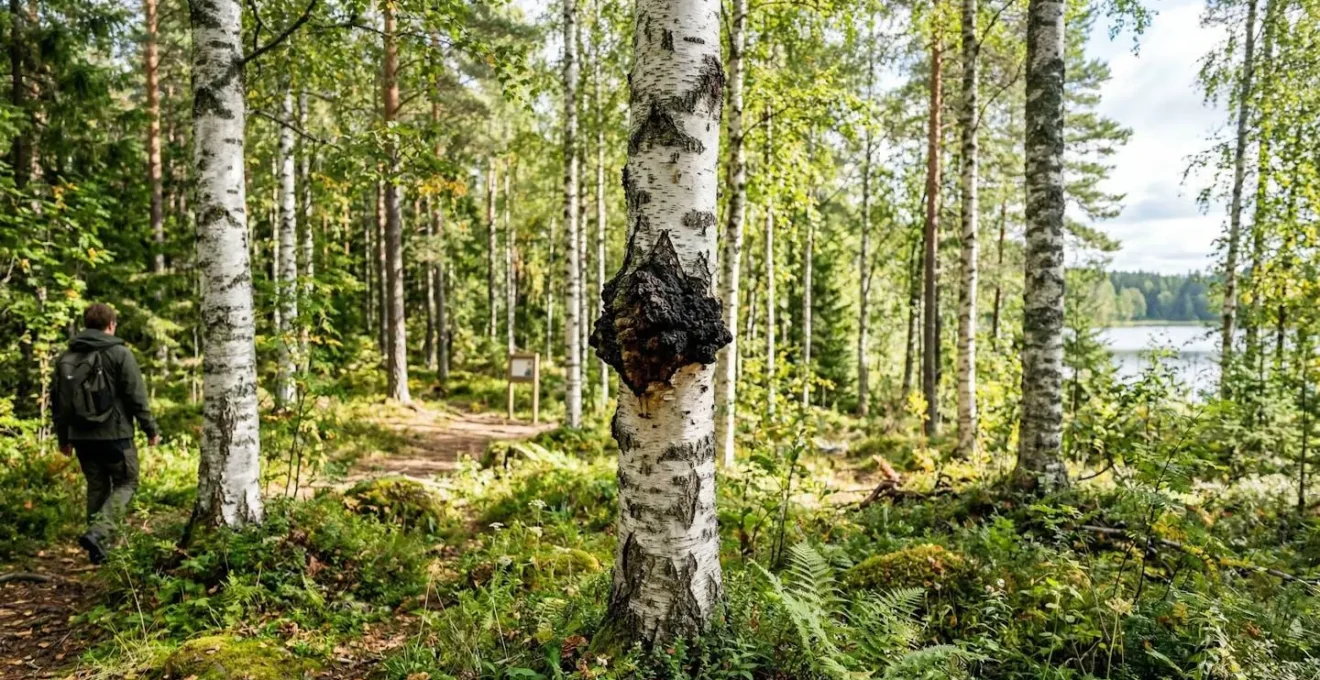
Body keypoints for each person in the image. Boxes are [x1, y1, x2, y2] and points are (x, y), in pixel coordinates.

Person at [50, 303, 160, 564]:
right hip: (115, 435)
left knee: (97, 486)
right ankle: (99, 534)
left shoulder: (66, 357)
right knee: (127, 482)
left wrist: (63, 438)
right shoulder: (120, 353)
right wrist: (150, 429)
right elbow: (136, 395)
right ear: (111, 325)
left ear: (86, 325)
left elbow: (58, 402)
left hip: (81, 437)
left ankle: (97, 552)